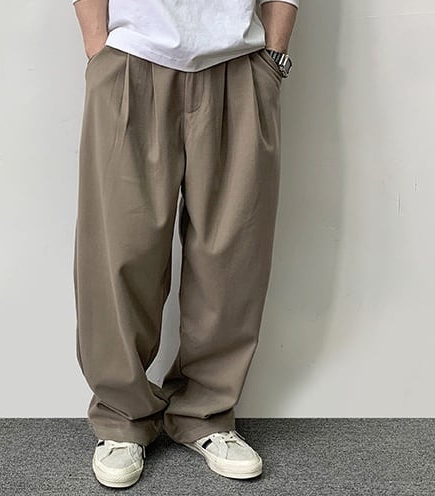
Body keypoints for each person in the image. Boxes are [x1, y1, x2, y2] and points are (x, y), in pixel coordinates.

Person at [72, 0, 298, 488]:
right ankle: (122, 417)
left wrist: (274, 57)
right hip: (131, 57)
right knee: (119, 251)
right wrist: (97, 46)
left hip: (239, 62)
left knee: (232, 255)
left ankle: (206, 413)